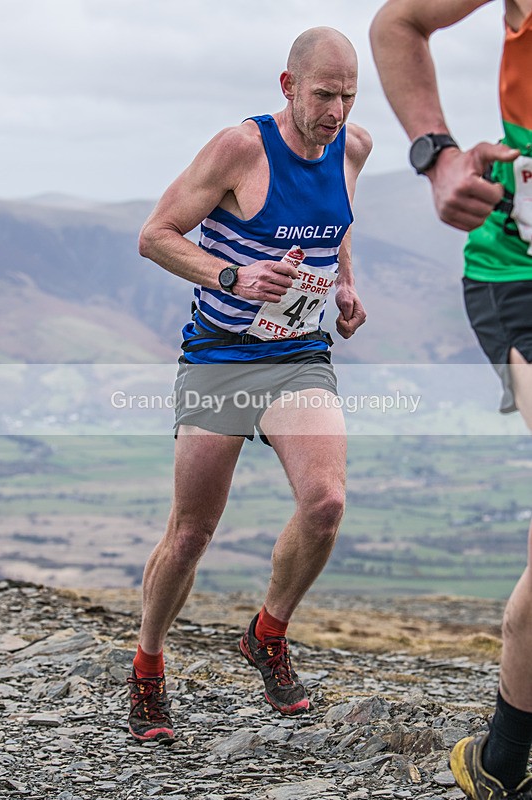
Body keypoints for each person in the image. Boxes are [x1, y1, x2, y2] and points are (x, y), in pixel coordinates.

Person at [126, 26, 372, 741]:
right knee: (192, 532)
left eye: (348, 97)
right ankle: (146, 668)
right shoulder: (240, 148)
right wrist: (233, 275)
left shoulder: (352, 146)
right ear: (287, 86)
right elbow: (156, 235)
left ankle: (267, 631)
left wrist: (347, 284)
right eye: (323, 94)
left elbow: (337, 222)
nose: (335, 111)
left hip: (298, 351)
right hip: (221, 356)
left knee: (325, 502)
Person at [371, 2, 532, 799]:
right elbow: (398, 22)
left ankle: (502, 759)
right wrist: (437, 156)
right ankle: (503, 758)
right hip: (520, 272)